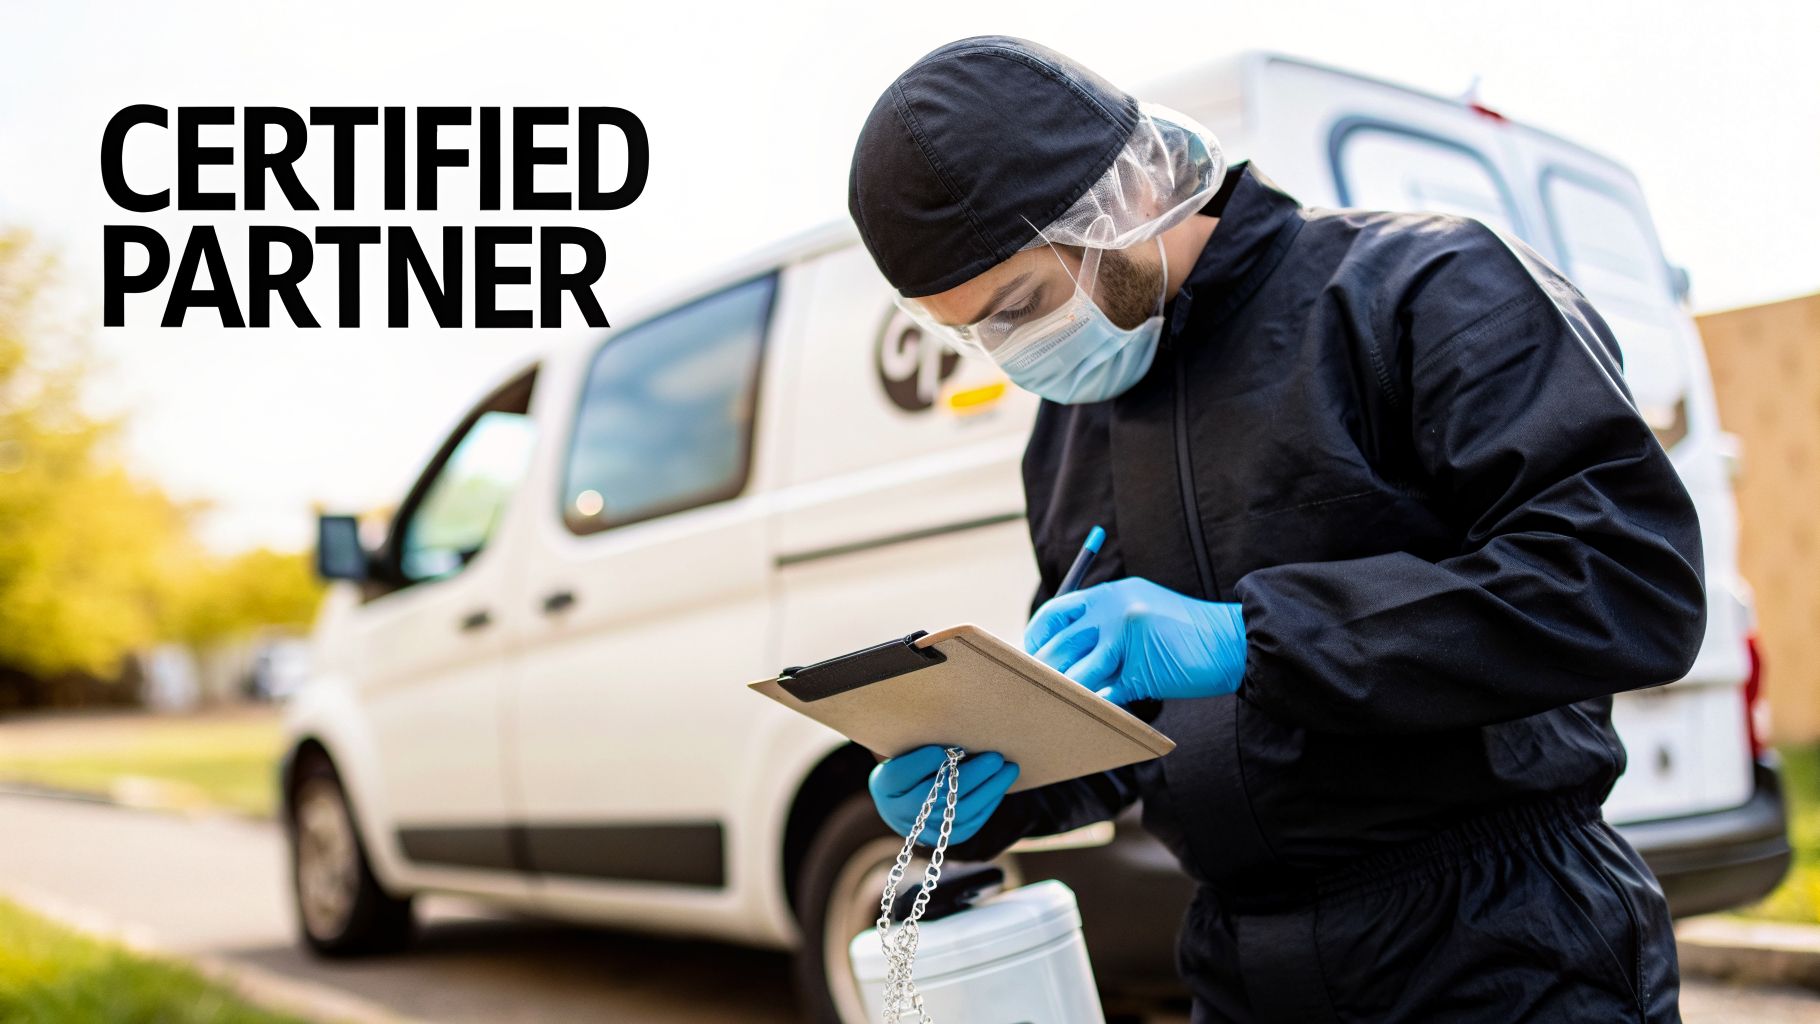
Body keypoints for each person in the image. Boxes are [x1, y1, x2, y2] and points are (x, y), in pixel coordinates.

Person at [847, 36, 1705, 1024]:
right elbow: (1128, 715)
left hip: (1500, 953)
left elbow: (1624, 582)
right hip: (1243, 971)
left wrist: (1249, 639)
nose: (1013, 351)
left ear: (1124, 192)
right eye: (976, 332)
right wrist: (1005, 784)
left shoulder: (1418, 288)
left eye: (1021, 305)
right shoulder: (1075, 428)